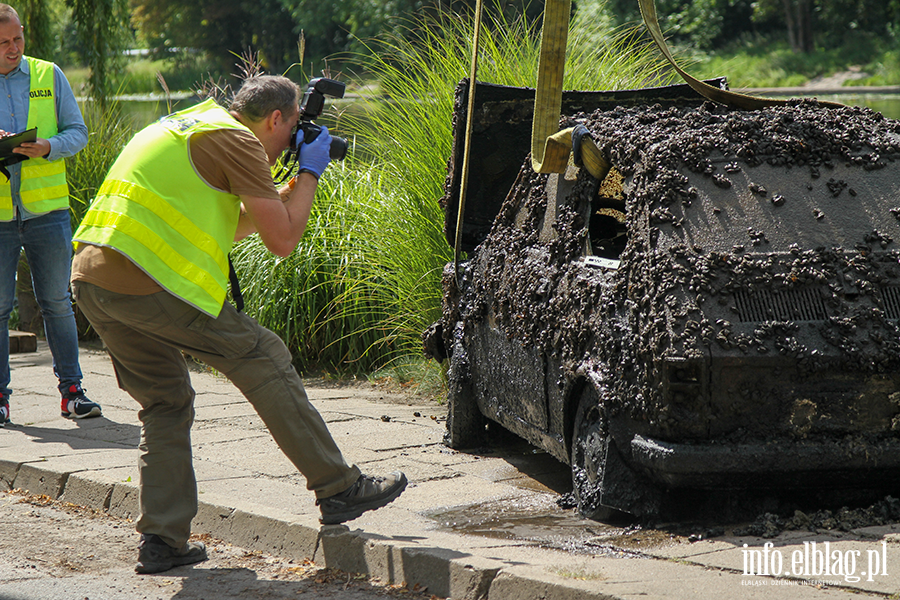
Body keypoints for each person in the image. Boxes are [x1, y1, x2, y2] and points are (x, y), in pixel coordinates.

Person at [70, 74, 407, 575]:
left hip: (94, 279)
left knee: (165, 402)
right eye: (293, 129)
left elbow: (239, 224)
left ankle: (162, 541)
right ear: (276, 119)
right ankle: (338, 489)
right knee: (262, 355)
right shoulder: (238, 142)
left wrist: (286, 190)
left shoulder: (192, 124)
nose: (290, 142)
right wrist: (312, 174)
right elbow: (282, 242)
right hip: (146, 283)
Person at [0, 4, 99, 428]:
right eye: (3, 42)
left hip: (49, 214)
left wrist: (48, 147)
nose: (14, 48)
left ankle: (73, 393)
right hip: (0, 217)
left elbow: (78, 133)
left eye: (18, 38)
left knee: (58, 303)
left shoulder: (48, 74)